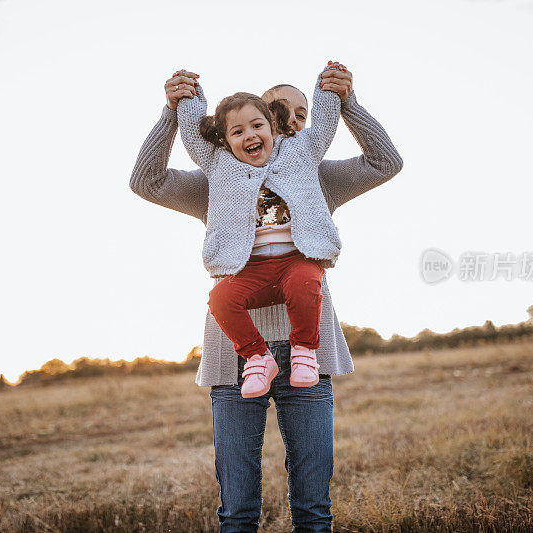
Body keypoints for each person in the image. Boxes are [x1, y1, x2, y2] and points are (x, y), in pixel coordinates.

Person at [130, 63, 403, 532]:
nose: (296, 122)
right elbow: (146, 181)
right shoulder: (221, 181)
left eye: (305, 112)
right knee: (237, 510)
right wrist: (170, 112)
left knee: (313, 509)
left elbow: (385, 162)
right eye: (286, 112)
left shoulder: (315, 176)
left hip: (309, 357)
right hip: (234, 356)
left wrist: (348, 102)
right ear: (265, 119)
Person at [176, 63, 345, 399]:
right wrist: (187, 97)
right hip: (250, 269)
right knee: (220, 298)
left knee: (304, 283)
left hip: (295, 260)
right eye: (237, 132)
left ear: (272, 124)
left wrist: (328, 87)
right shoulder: (218, 165)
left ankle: (304, 352)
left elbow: (324, 125)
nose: (249, 135)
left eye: (256, 125)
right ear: (223, 140)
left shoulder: (302, 151)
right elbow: (194, 137)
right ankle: (257, 357)